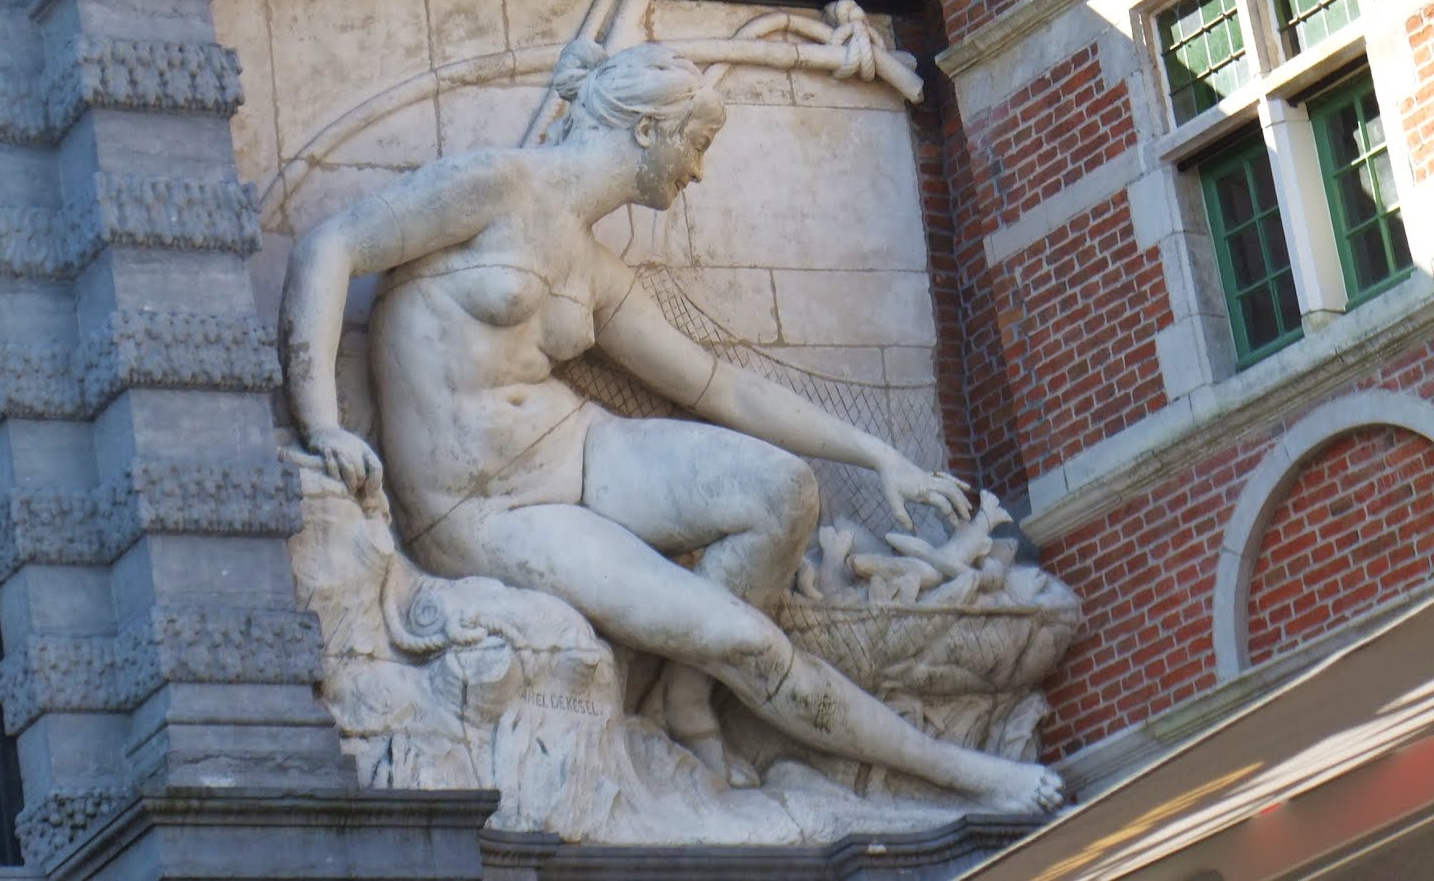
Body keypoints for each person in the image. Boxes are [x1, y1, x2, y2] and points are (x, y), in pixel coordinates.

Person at [280, 39, 1063, 812]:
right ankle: (960, 774)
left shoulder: (594, 270)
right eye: (697, 144)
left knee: (784, 489)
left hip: (575, 446)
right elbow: (332, 245)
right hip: (489, 508)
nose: (698, 171)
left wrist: (879, 453)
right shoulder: (493, 186)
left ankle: (685, 698)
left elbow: (720, 386)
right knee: (745, 639)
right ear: (647, 129)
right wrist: (322, 423)